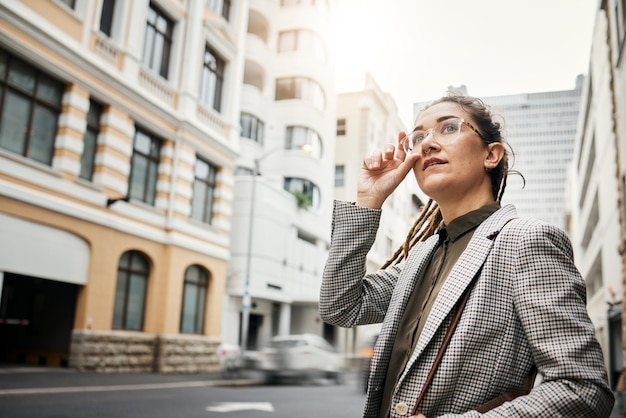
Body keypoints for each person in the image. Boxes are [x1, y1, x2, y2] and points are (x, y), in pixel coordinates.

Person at [319, 93, 614, 417]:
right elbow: (341, 307)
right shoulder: (423, 256)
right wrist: (368, 200)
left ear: (492, 154)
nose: (427, 143)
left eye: (448, 128)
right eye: (418, 136)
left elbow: (583, 388)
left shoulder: (526, 242)